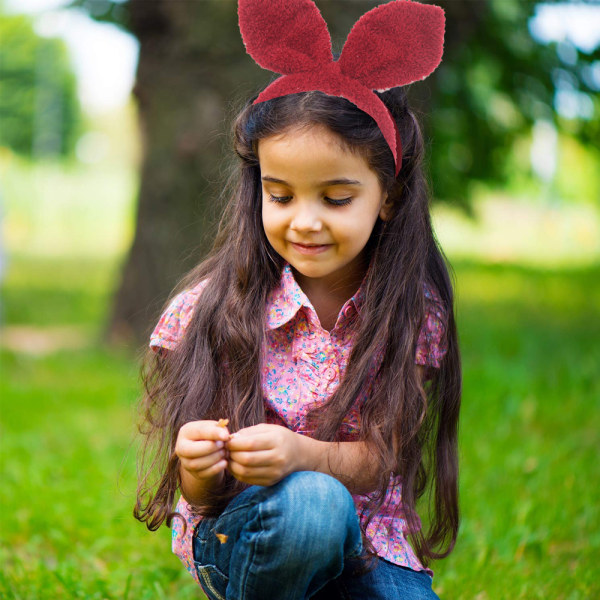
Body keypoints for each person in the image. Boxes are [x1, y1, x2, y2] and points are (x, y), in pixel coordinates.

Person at [134, 1, 461, 598]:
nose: (303, 222)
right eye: (280, 195)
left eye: (336, 199)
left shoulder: (410, 314)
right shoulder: (216, 307)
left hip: (370, 542)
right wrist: (196, 465)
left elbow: (384, 457)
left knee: (328, 501)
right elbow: (200, 497)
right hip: (249, 536)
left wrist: (302, 454)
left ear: (386, 196)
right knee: (312, 505)